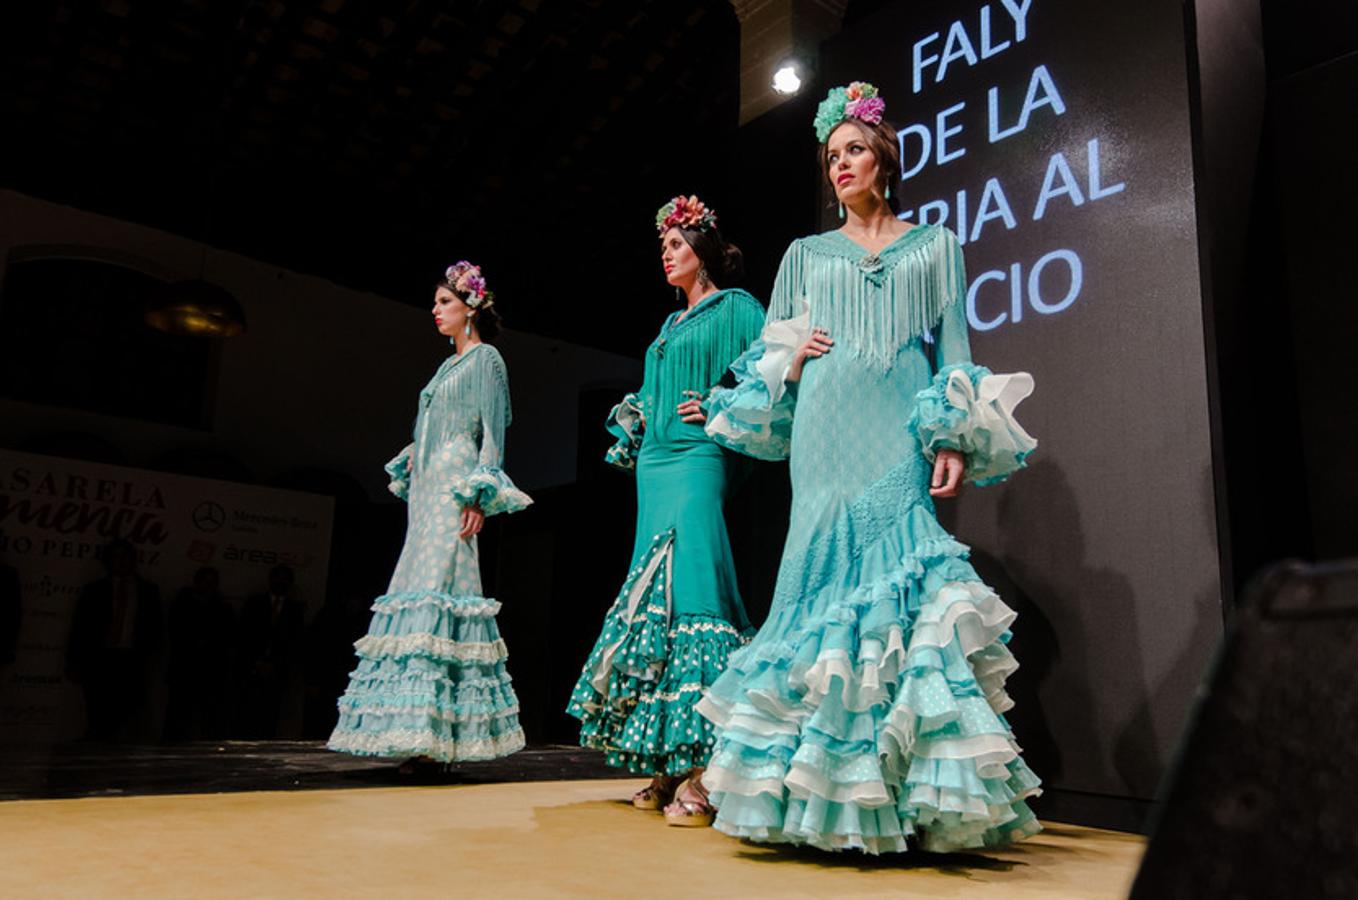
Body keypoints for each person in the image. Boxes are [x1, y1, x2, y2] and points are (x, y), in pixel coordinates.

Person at [694, 82, 1042, 853]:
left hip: (895, 430)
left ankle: (896, 796)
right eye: (830, 157)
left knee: (903, 583)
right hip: (824, 429)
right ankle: (814, 794)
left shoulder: (937, 245)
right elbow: (765, 353)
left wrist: (951, 437)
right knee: (815, 583)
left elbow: (954, 350)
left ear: (884, 157)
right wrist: (792, 350)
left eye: (853, 150)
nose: (840, 166)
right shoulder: (806, 254)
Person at [567, 196, 765, 826]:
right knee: (656, 598)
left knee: (698, 591)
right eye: (663, 247)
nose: (667, 253)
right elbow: (654, 389)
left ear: (703, 251)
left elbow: (764, 371)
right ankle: (669, 759)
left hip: (699, 456)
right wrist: (640, 418)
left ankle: (708, 769)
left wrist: (717, 404)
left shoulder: (736, 307)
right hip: (653, 464)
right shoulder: (666, 326)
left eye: (677, 244)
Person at [328, 261, 531, 764]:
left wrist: (481, 495)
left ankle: (437, 734)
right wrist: (415, 453)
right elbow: (430, 426)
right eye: (437, 302)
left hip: (454, 484)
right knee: (418, 589)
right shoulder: (445, 368)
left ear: (471, 307)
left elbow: (492, 432)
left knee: (443, 589)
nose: (435, 310)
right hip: (428, 486)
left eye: (444, 302)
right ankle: (415, 729)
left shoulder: (487, 359)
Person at [66, 539, 163, 741]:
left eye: (125, 557)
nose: (121, 561)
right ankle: (98, 755)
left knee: (129, 712)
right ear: (108, 561)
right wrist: (74, 661)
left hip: (132, 659)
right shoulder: (94, 590)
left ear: (134, 560)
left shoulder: (148, 591)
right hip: (98, 658)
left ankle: (117, 757)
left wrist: (152, 657)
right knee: (98, 711)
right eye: (116, 557)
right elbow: (80, 627)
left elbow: (155, 627)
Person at [163, 566, 235, 741]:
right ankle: (172, 746)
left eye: (213, 582)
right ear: (196, 582)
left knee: (209, 715)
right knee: (179, 712)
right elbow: (175, 631)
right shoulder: (182, 603)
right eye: (206, 581)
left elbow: (228, 636)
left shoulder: (222, 607)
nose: (209, 586)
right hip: (184, 666)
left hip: (211, 669)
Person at [237, 564, 305, 738]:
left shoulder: (296, 610)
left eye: (285, 579)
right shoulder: (254, 603)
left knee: (271, 714)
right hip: (251, 667)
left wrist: (276, 664)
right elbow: (244, 635)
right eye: (278, 578)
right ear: (270, 580)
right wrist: (255, 662)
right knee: (246, 711)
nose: (281, 582)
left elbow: (295, 642)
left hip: (278, 670)